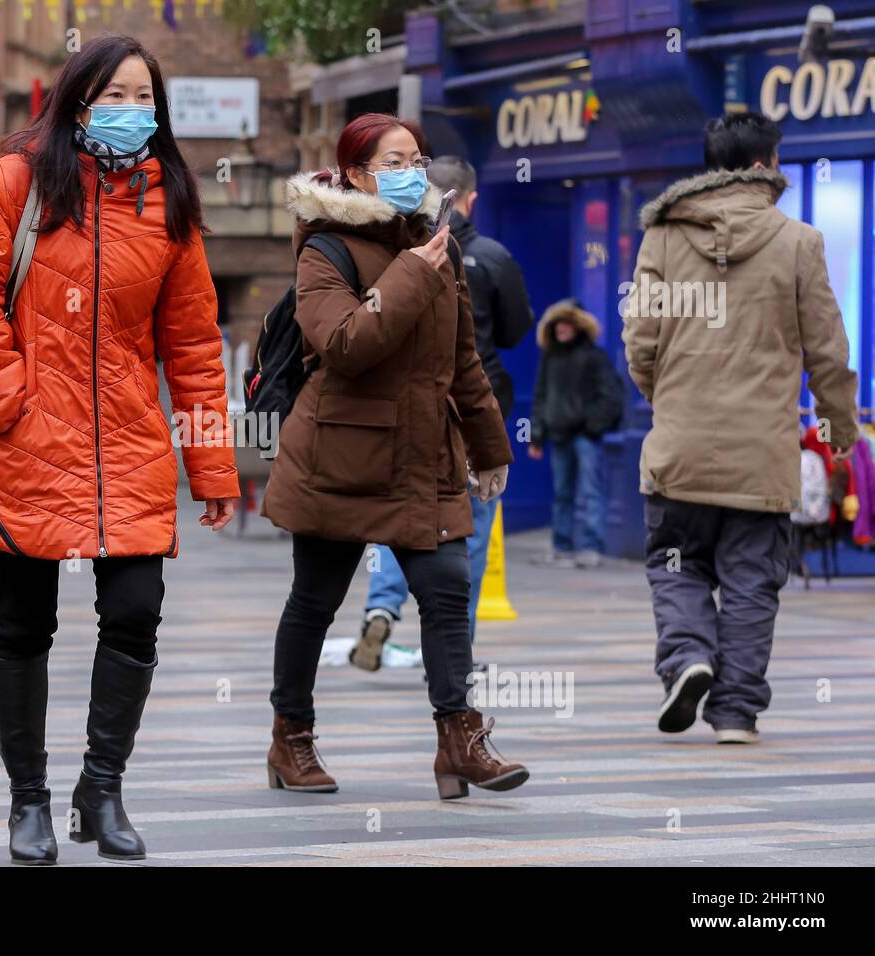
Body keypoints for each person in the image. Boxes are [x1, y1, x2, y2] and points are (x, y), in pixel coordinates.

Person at [0, 35, 239, 864]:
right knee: (24, 622)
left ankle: (100, 790)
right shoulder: (16, 183)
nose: (134, 112)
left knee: (136, 612)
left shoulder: (168, 200)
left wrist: (212, 462)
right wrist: (11, 406)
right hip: (28, 442)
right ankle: (26, 800)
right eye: (118, 96)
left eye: (147, 99)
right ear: (76, 103)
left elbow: (195, 344)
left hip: (131, 446)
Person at [260, 113, 527, 800]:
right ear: (355, 172)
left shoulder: (440, 246)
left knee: (445, 590)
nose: (414, 173)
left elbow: (462, 358)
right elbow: (345, 344)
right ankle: (290, 739)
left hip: (422, 456)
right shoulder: (326, 248)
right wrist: (410, 272)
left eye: (419, 159)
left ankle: (458, 741)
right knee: (314, 601)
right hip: (339, 458)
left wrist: (491, 447)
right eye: (396, 161)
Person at [622, 111, 858, 744]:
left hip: (678, 447)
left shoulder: (663, 237)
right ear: (763, 165)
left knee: (675, 564)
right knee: (753, 581)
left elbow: (641, 336)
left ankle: (688, 657)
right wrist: (840, 429)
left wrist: (666, 397)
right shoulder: (800, 242)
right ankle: (735, 715)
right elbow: (828, 352)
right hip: (763, 453)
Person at [355, 155, 533, 670]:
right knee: (469, 531)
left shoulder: (392, 249)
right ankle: (456, 648)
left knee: (398, 514)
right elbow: (517, 329)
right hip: (475, 407)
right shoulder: (493, 256)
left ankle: (382, 607)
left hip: (402, 408)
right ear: (469, 198)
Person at [527, 298, 624, 569]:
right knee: (562, 493)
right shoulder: (550, 359)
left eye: (567, 323)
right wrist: (537, 436)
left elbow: (611, 396)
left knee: (591, 491)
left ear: (577, 326)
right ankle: (562, 547)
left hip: (584, 437)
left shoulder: (593, 357)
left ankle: (592, 548)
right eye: (558, 324)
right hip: (559, 436)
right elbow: (541, 397)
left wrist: (591, 426)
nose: (562, 328)